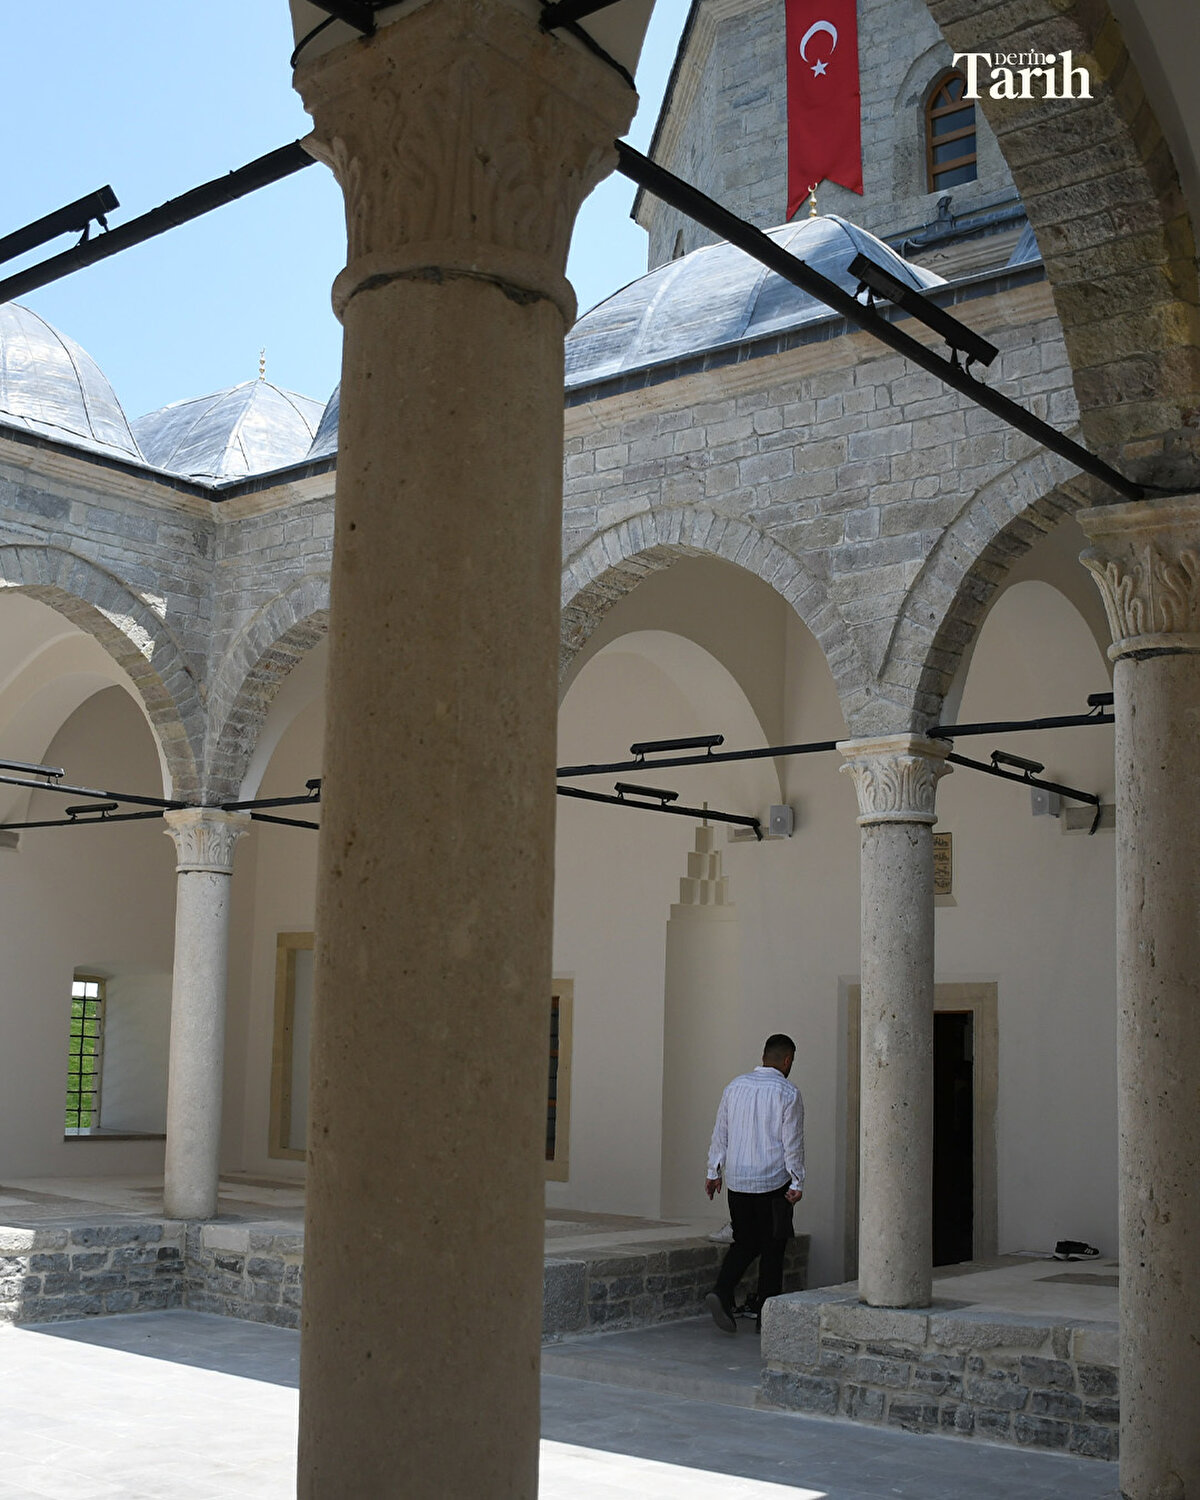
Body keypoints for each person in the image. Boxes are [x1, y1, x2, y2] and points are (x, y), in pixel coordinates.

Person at [703, 1033, 804, 1335]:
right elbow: (793, 1142)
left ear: (764, 1056)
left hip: (738, 1181)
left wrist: (713, 1171)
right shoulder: (788, 1093)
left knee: (745, 1241)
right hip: (773, 1181)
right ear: (787, 1060)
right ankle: (767, 1317)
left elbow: (721, 1132)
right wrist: (797, 1180)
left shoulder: (735, 1087)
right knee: (773, 1248)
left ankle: (722, 1290)